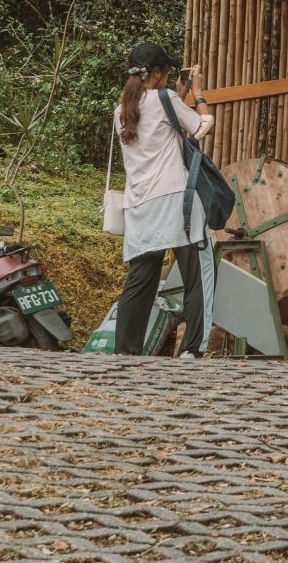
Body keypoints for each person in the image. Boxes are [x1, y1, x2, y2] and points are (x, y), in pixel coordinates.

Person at [112, 41, 214, 357]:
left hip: (140, 208)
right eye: (166, 71)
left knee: (139, 283)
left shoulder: (121, 111)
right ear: (156, 73)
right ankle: (192, 351)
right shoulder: (165, 98)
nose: (169, 76)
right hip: (176, 203)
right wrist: (197, 93)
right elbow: (202, 126)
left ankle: (125, 353)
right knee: (198, 275)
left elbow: (160, 124)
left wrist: (177, 95)